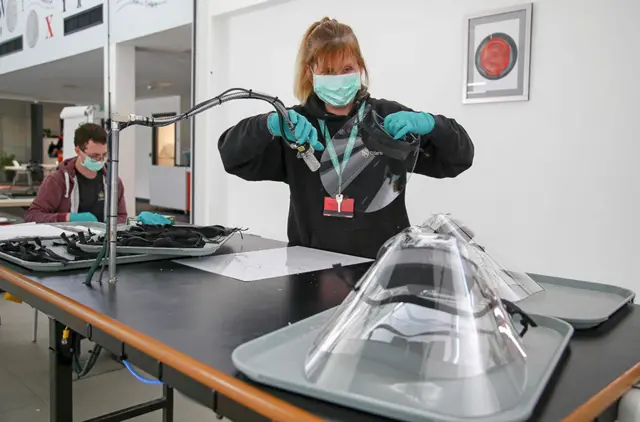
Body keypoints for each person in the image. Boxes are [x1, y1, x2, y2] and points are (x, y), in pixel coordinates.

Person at [218, 17, 474, 259]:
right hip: (308, 269)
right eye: (328, 71)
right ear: (310, 71)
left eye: (347, 68)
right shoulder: (296, 127)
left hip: (380, 271)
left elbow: (458, 159)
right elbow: (232, 158)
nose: (338, 78)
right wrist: (268, 125)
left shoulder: (388, 119)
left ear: (360, 67)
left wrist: (431, 124)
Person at [25, 123, 127, 224]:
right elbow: (32, 216)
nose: (100, 160)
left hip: (101, 239)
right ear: (78, 151)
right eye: (94, 156)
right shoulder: (57, 180)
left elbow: (121, 216)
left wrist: (120, 223)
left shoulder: (114, 182)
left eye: (104, 155)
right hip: (68, 239)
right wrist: (67, 217)